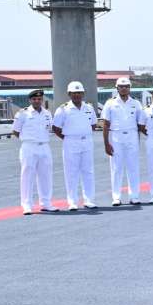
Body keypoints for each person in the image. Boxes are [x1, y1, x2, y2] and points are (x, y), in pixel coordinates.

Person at [52, 80, 97, 210]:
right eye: (74, 93)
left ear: (83, 94)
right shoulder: (63, 109)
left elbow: (93, 124)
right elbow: (56, 128)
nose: (77, 95)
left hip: (86, 141)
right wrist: (67, 138)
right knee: (71, 172)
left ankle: (89, 200)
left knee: (88, 171)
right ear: (69, 94)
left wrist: (84, 134)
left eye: (79, 93)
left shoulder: (89, 107)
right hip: (71, 142)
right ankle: (72, 201)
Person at [102, 77, 145, 206]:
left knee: (133, 167)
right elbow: (105, 124)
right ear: (117, 88)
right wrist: (106, 143)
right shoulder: (110, 103)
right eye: (121, 86)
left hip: (131, 135)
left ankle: (134, 196)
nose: (124, 88)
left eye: (126, 86)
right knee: (116, 168)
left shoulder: (136, 104)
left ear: (130, 88)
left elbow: (140, 123)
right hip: (116, 137)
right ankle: (116, 197)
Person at [13, 89, 55, 215]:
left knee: (46, 176)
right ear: (30, 100)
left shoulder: (47, 113)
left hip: (44, 146)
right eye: (34, 99)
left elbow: (49, 129)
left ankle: (46, 203)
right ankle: (27, 205)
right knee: (27, 176)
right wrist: (28, 139)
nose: (37, 101)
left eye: (39, 99)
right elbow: (15, 131)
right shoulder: (23, 114)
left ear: (42, 100)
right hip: (29, 147)